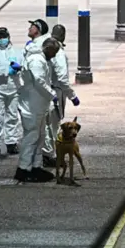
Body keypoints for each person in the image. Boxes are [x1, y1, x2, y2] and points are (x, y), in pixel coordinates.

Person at [10, 37, 60, 182]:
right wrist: (52, 95)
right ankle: (24, 169)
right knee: (31, 137)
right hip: (32, 106)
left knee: (39, 137)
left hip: (38, 105)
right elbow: (39, 81)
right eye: (54, 52)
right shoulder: (37, 60)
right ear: (49, 49)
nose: (55, 55)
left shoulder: (39, 58)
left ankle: (35, 166)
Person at [41, 24, 80, 167]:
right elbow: (63, 80)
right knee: (54, 125)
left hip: (43, 92)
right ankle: (51, 155)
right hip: (56, 92)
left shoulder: (42, 47)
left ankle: (45, 153)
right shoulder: (60, 53)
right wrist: (72, 96)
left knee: (44, 125)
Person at [0, 27, 24, 156]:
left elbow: (23, 66)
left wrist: (19, 68)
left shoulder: (17, 52)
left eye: (4, 36)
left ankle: (11, 142)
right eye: (0, 37)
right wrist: (7, 70)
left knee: (12, 116)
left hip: (13, 89)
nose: (3, 39)